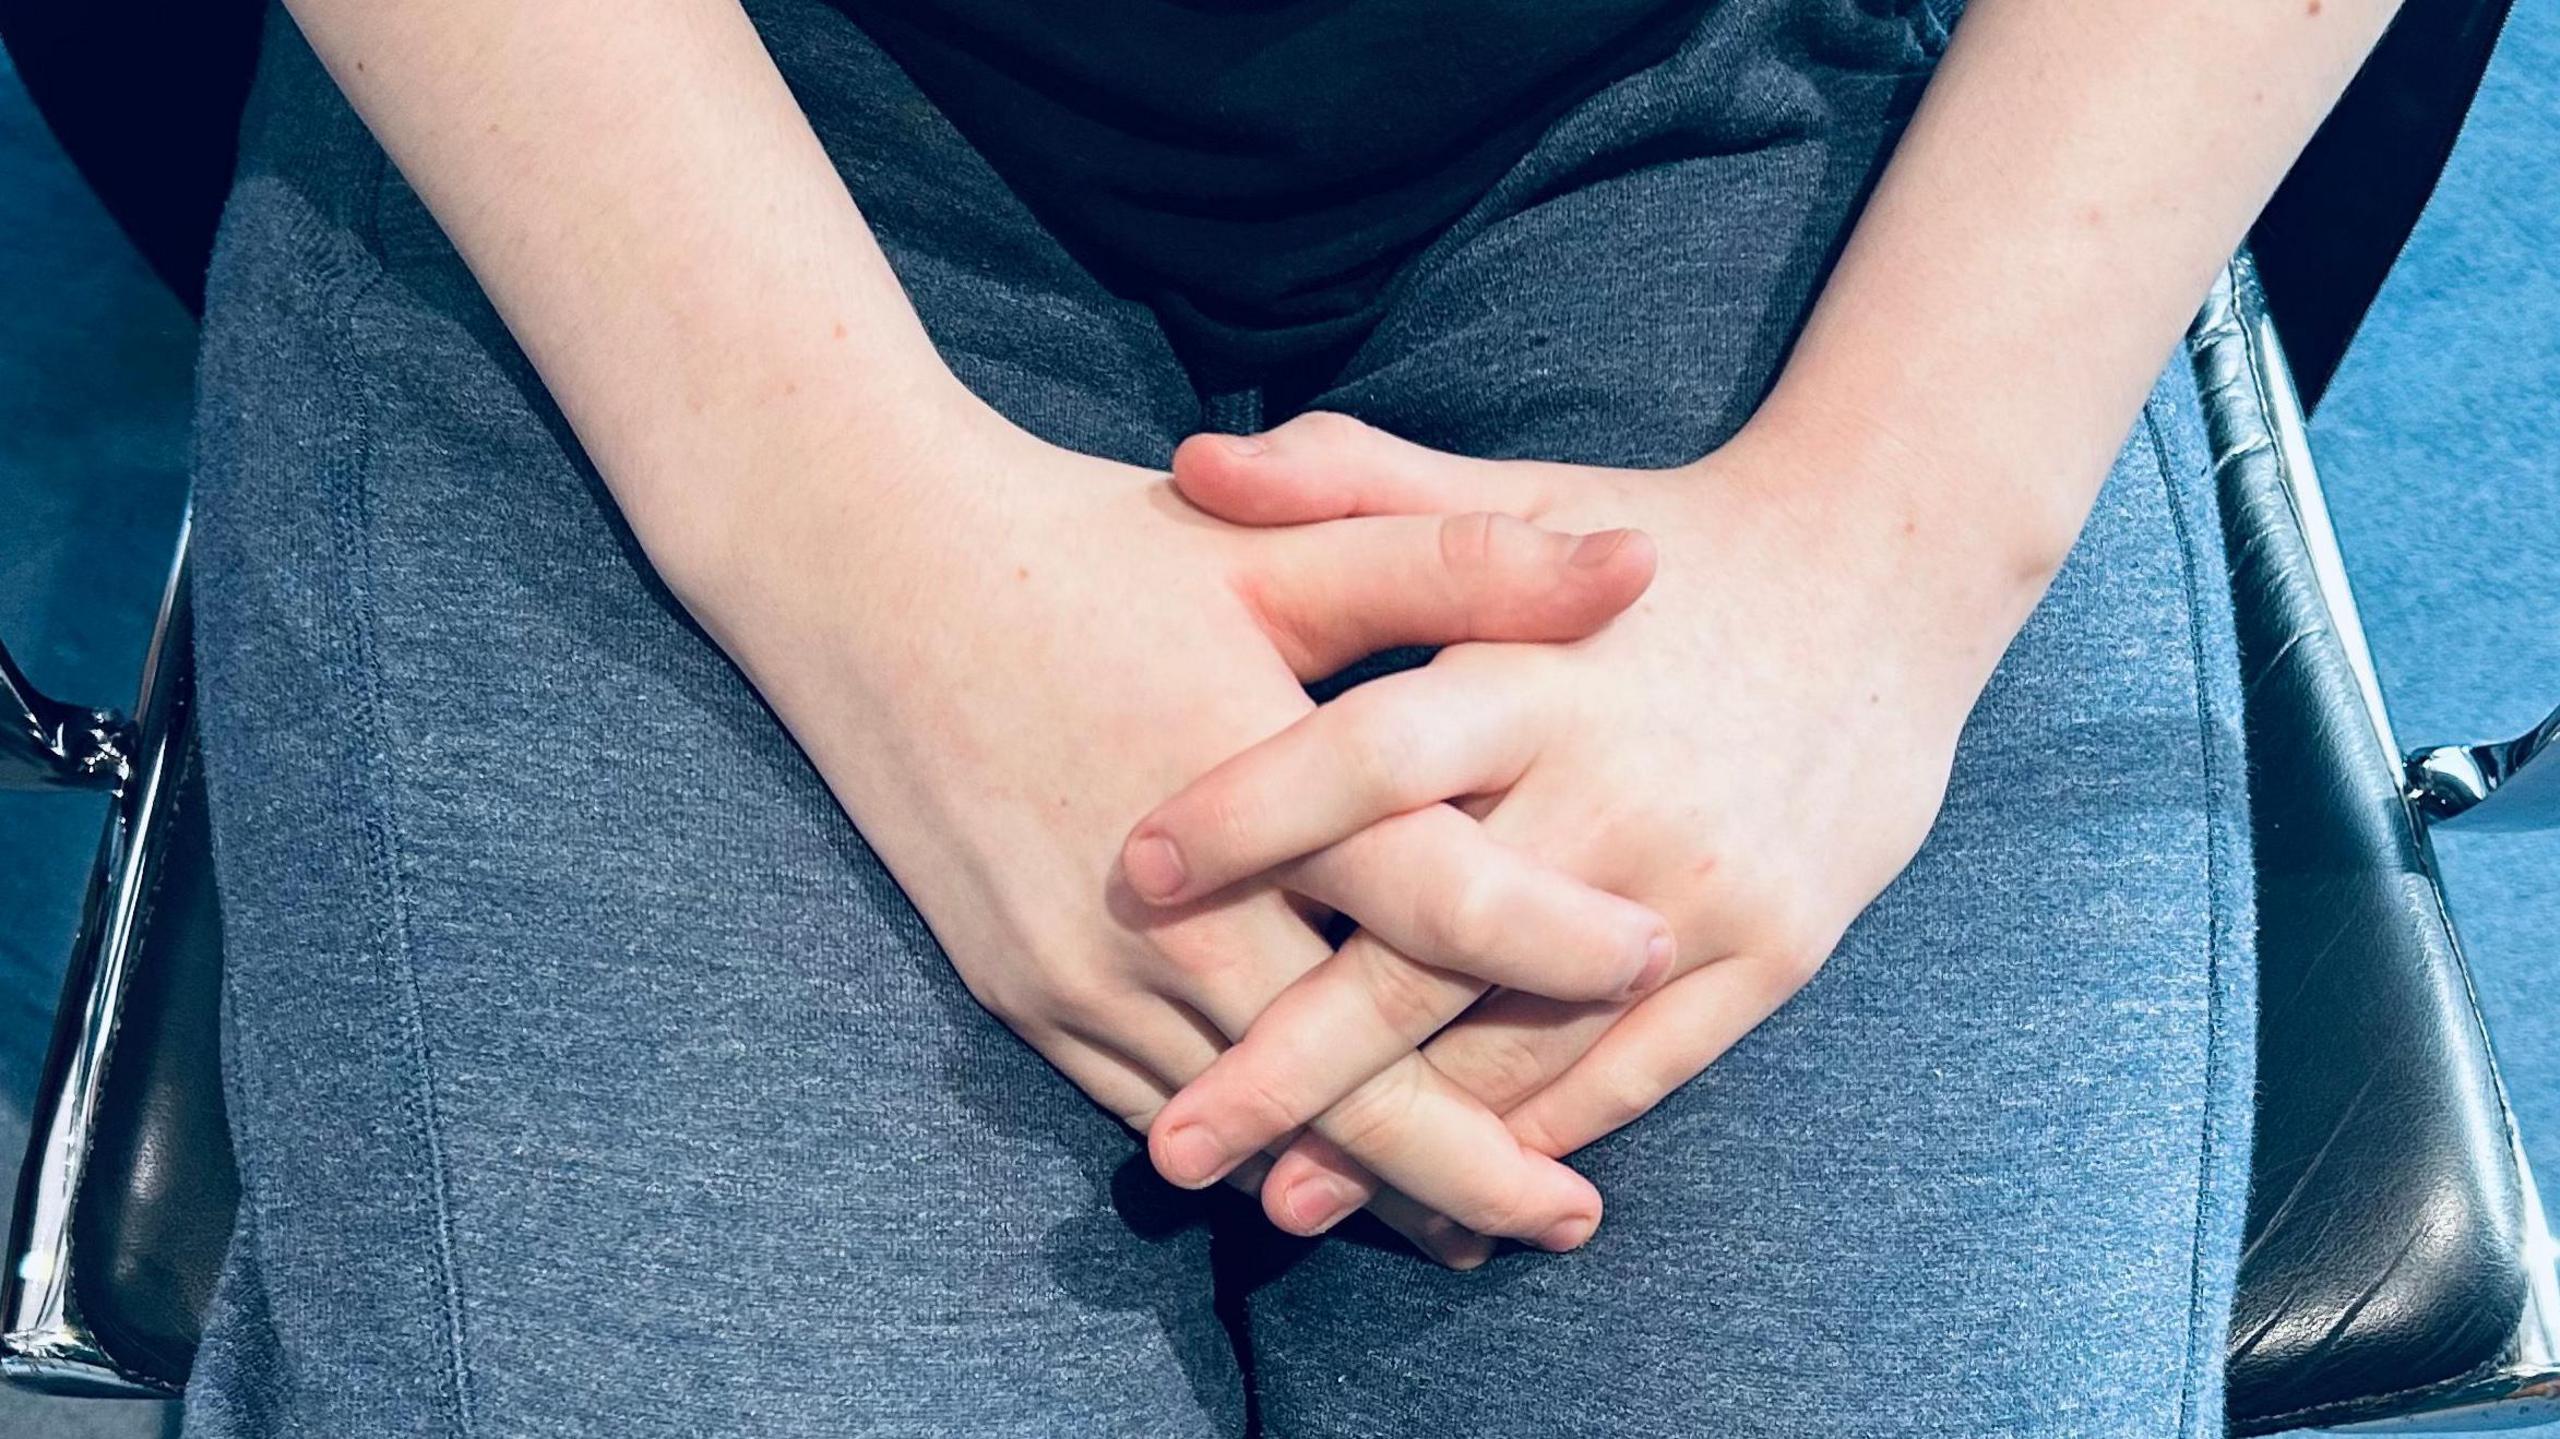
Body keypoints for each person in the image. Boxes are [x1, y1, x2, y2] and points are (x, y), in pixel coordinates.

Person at [181, 0, 2394, 1434]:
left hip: (1785, 119)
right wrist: (833, 530)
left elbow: (1886, 542)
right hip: (690, 110)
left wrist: (1888, 548)